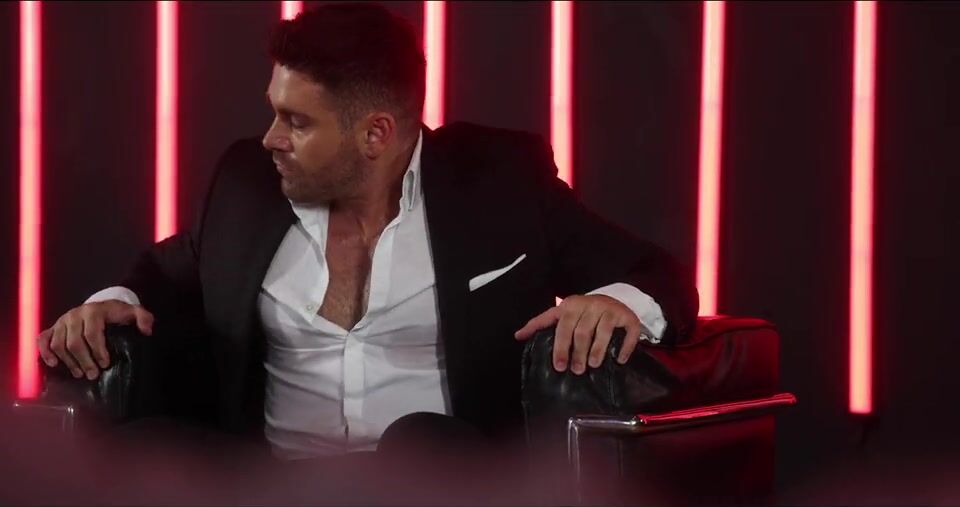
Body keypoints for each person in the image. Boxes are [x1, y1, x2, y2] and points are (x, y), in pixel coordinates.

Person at [34, 0, 697, 481]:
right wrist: (106, 303)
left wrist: (614, 304)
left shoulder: (500, 183)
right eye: (274, 112)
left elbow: (657, 274)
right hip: (270, 485)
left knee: (424, 444)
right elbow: (160, 273)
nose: (271, 138)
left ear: (375, 134)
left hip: (439, 481)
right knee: (143, 451)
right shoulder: (246, 184)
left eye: (296, 121)